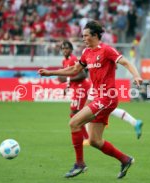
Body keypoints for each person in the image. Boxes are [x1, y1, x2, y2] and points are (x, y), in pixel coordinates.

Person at [38, 20, 143, 179]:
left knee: (74, 122)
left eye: (86, 35)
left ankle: (79, 164)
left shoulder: (106, 50)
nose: (83, 38)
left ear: (95, 35)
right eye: (82, 35)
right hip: (98, 96)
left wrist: (136, 75)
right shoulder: (87, 52)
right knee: (94, 140)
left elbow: (125, 62)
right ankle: (125, 159)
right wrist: (51, 73)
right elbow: (74, 69)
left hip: (107, 97)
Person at [58, 40, 91, 141]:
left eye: (67, 48)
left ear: (71, 49)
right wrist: (67, 87)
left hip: (82, 87)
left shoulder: (73, 59)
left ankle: (87, 138)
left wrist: (67, 80)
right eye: (63, 48)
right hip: (76, 87)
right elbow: (70, 75)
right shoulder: (64, 61)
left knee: (75, 112)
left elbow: (83, 74)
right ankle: (86, 137)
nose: (65, 50)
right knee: (75, 113)